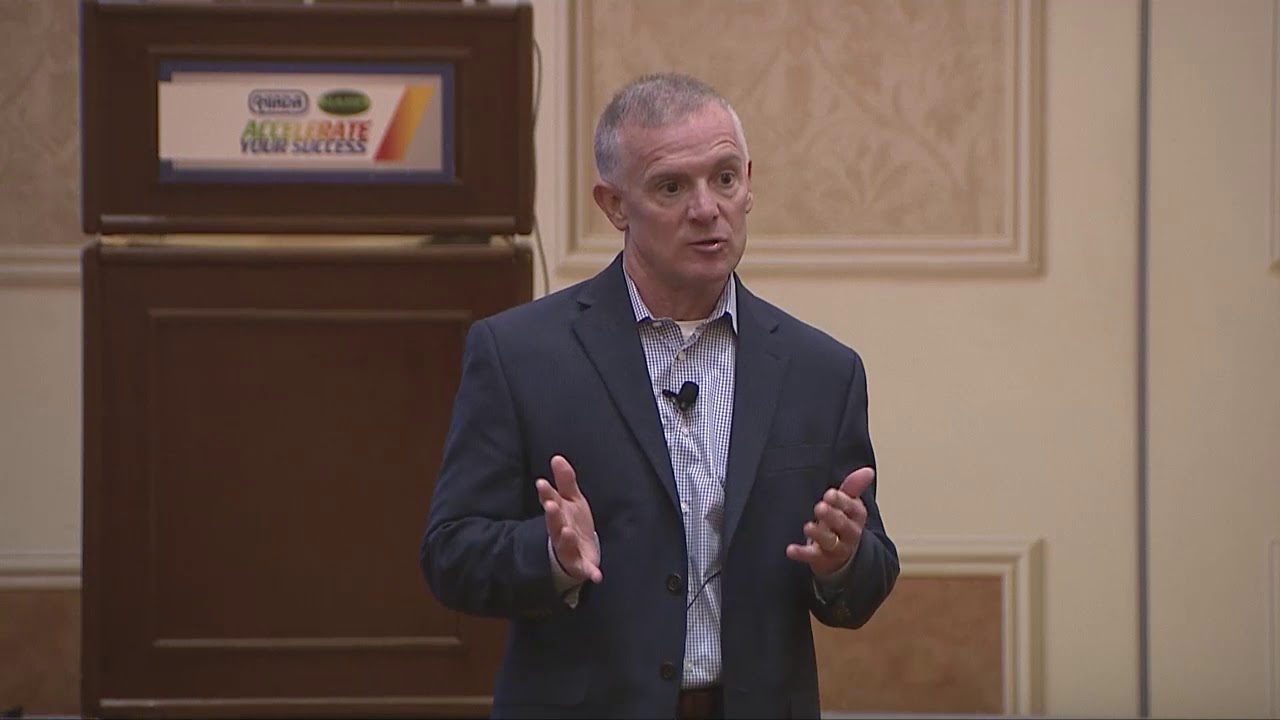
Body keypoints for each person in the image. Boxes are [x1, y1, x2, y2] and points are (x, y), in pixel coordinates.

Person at [420, 72, 898, 719]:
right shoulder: (519, 355)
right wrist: (551, 556)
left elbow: (867, 580)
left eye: (724, 178)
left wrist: (841, 562)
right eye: (671, 187)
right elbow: (450, 554)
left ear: (749, 182)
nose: (706, 209)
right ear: (614, 205)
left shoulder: (821, 370)